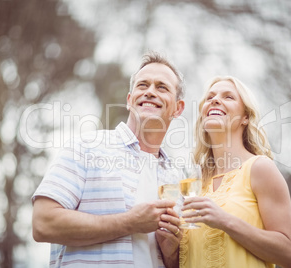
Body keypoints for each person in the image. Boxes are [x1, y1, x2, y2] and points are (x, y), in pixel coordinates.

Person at [32, 51, 185, 268]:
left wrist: (171, 255)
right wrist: (129, 222)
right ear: (129, 100)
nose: (150, 92)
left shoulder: (179, 180)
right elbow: (42, 223)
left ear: (178, 108)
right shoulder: (86, 147)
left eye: (162, 87)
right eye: (142, 85)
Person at [179, 76, 291, 268]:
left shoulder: (260, 168)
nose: (215, 100)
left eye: (228, 97)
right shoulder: (193, 182)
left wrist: (225, 220)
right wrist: (168, 247)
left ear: (245, 118)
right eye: (210, 97)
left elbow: (289, 253)